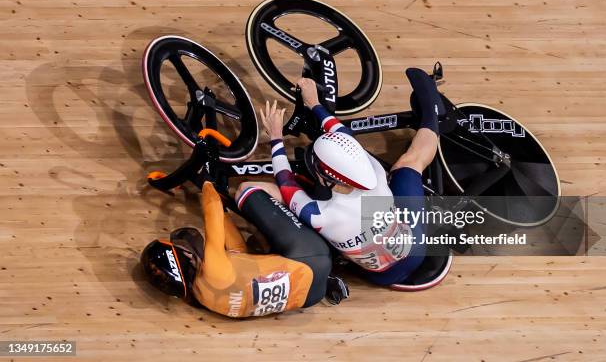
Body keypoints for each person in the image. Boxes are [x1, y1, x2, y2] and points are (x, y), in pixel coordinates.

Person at [237, 68, 450, 289]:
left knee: (268, 192)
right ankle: (432, 117)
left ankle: (436, 112)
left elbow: (285, 181)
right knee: (411, 162)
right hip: (412, 246)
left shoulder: (322, 215)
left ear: (331, 180)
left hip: (386, 272)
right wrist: (314, 103)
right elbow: (344, 135)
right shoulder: (374, 173)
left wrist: (275, 137)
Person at [141, 181, 340, 318]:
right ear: (184, 257)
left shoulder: (205, 297)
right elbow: (212, 211)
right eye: (180, 247)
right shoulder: (213, 269)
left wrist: (225, 213)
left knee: (256, 239)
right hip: (312, 255)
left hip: (310, 296)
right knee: (247, 192)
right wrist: (206, 183)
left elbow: (238, 252)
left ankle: (339, 263)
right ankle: (322, 194)